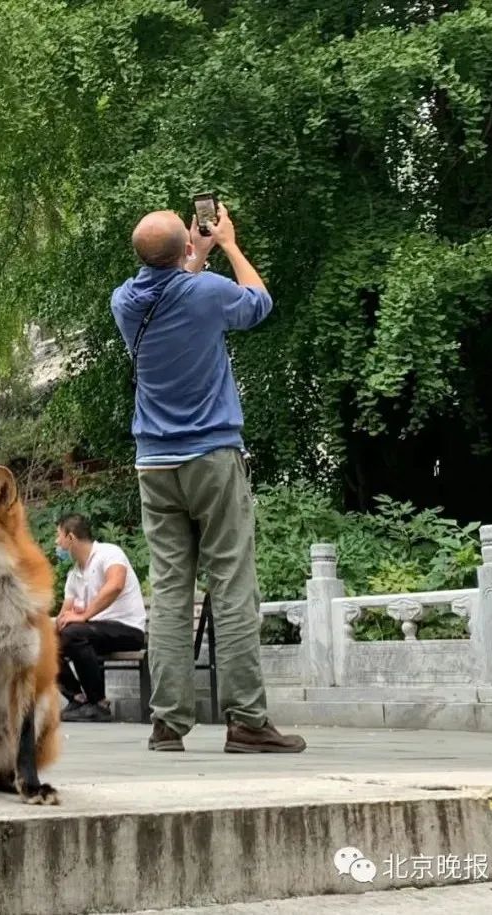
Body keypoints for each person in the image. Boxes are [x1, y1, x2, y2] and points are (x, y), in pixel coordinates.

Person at [110, 203, 306, 753]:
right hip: (212, 458)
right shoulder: (208, 291)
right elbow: (259, 302)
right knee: (231, 584)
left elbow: (170, 289)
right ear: (182, 248)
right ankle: (246, 720)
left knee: (171, 590)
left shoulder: (124, 302)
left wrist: (193, 257)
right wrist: (230, 246)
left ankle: (167, 723)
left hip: (154, 464)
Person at [54, 514, 146, 723]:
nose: (56, 543)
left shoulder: (109, 553)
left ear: (70, 537)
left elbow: (115, 585)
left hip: (126, 628)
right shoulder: (74, 574)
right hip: (94, 631)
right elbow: (64, 615)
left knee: (73, 633)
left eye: (58, 537)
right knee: (44, 642)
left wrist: (84, 615)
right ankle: (78, 699)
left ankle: (99, 703)